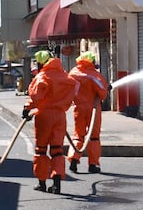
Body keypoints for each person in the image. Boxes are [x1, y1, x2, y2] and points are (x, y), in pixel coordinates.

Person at [22, 49, 78, 194]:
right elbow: (75, 90)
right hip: (60, 115)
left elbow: (36, 97)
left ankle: (41, 183)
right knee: (57, 150)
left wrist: (27, 109)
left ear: (41, 63)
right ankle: (57, 183)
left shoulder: (43, 77)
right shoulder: (65, 76)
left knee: (41, 150)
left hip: (44, 116)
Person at [67, 51, 110, 174]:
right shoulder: (94, 75)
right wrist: (106, 88)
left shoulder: (73, 73)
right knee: (94, 137)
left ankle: (74, 159)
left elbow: (69, 90)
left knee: (78, 134)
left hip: (78, 109)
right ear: (91, 61)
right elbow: (102, 93)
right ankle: (93, 164)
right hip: (93, 108)